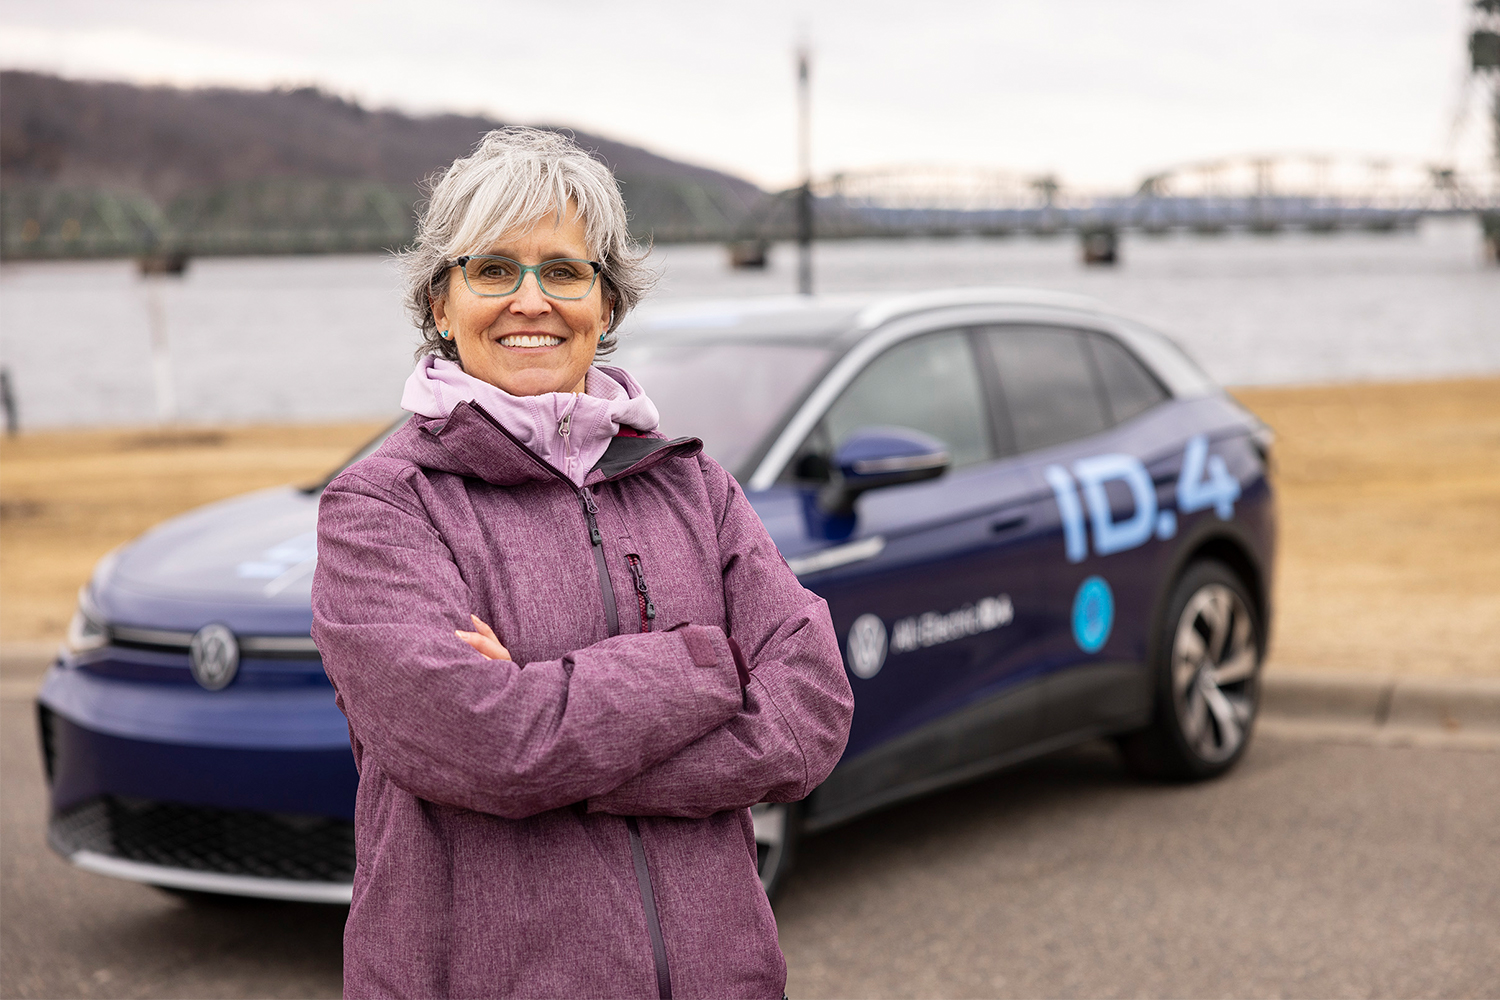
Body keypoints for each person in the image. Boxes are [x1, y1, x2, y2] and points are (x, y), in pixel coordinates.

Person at [311, 128, 855, 1000]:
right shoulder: (383, 507)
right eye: (493, 270)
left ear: (604, 305)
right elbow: (487, 744)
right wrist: (704, 662)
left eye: (563, 271)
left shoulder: (692, 483)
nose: (531, 299)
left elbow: (810, 715)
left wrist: (553, 721)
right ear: (441, 306)